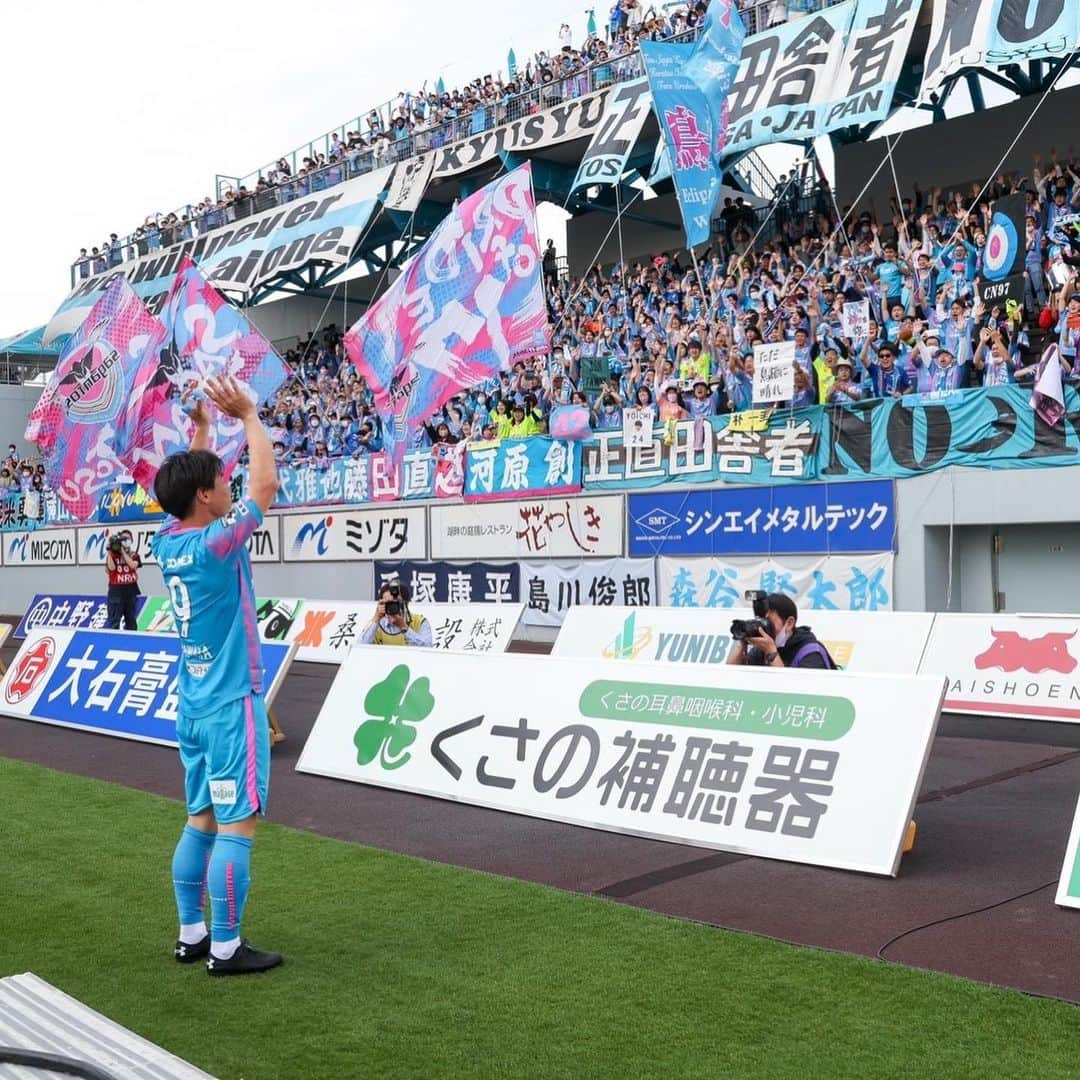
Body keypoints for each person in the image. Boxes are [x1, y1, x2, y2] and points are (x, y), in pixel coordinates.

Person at [151, 376, 283, 976]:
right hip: (231, 702)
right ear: (204, 498)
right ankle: (226, 948)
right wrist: (249, 415)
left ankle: (191, 934)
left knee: (199, 819)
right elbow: (266, 485)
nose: (228, 484)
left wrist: (203, 430)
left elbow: (197, 480)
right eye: (219, 482)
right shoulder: (215, 543)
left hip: (193, 705)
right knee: (237, 825)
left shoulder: (167, 540)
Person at [727, 593, 836, 669]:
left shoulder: (810, 651)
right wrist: (742, 645)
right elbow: (728, 676)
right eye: (759, 621)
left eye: (767, 622)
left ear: (789, 623)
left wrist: (772, 653)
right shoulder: (761, 649)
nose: (762, 627)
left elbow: (794, 694)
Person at [359, 581, 433, 647]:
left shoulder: (419, 622)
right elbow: (359, 648)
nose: (392, 606)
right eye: (388, 603)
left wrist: (404, 627)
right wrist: (376, 618)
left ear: (406, 602)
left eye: (396, 602)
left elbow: (428, 649)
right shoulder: (377, 625)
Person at [105, 529, 141, 629]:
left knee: (131, 622)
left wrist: (123, 552)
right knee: (114, 622)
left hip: (131, 592)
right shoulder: (112, 555)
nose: (125, 541)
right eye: (123, 539)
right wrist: (109, 551)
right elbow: (111, 569)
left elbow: (133, 565)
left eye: (127, 539)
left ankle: (132, 642)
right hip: (116, 593)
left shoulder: (134, 555)